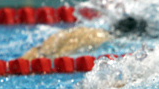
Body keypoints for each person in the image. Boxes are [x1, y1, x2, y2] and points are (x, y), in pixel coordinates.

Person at [21, 16, 149, 60]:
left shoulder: (87, 29)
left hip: (39, 49)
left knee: (40, 53)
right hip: (54, 55)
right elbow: (62, 54)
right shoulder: (101, 38)